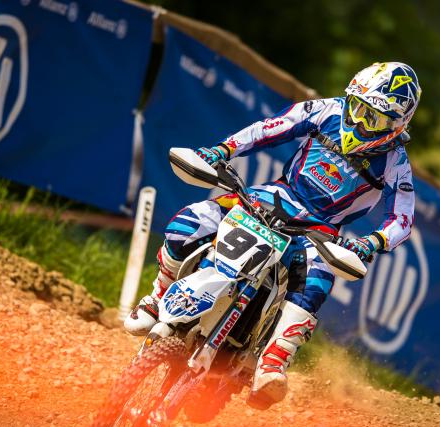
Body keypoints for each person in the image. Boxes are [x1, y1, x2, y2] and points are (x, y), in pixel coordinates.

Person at [124, 62, 422, 408]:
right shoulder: (327, 110)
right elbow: (268, 129)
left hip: (320, 230)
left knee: (317, 278)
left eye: (374, 118)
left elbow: (402, 219)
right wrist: (223, 150)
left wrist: (371, 242)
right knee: (189, 222)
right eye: (358, 107)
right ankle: (157, 297)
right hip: (271, 197)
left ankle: (273, 361)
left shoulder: (395, 161)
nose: (359, 122)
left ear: (397, 124)